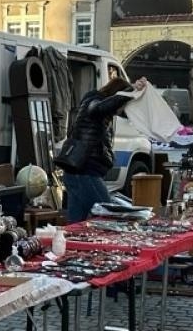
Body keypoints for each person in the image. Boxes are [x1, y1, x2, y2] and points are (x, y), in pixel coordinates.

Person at [57, 75, 146, 224]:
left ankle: (72, 240)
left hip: (76, 172)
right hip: (85, 172)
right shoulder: (94, 102)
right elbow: (101, 107)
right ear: (115, 95)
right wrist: (129, 92)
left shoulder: (94, 106)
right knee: (107, 216)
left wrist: (136, 92)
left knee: (76, 223)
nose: (122, 110)